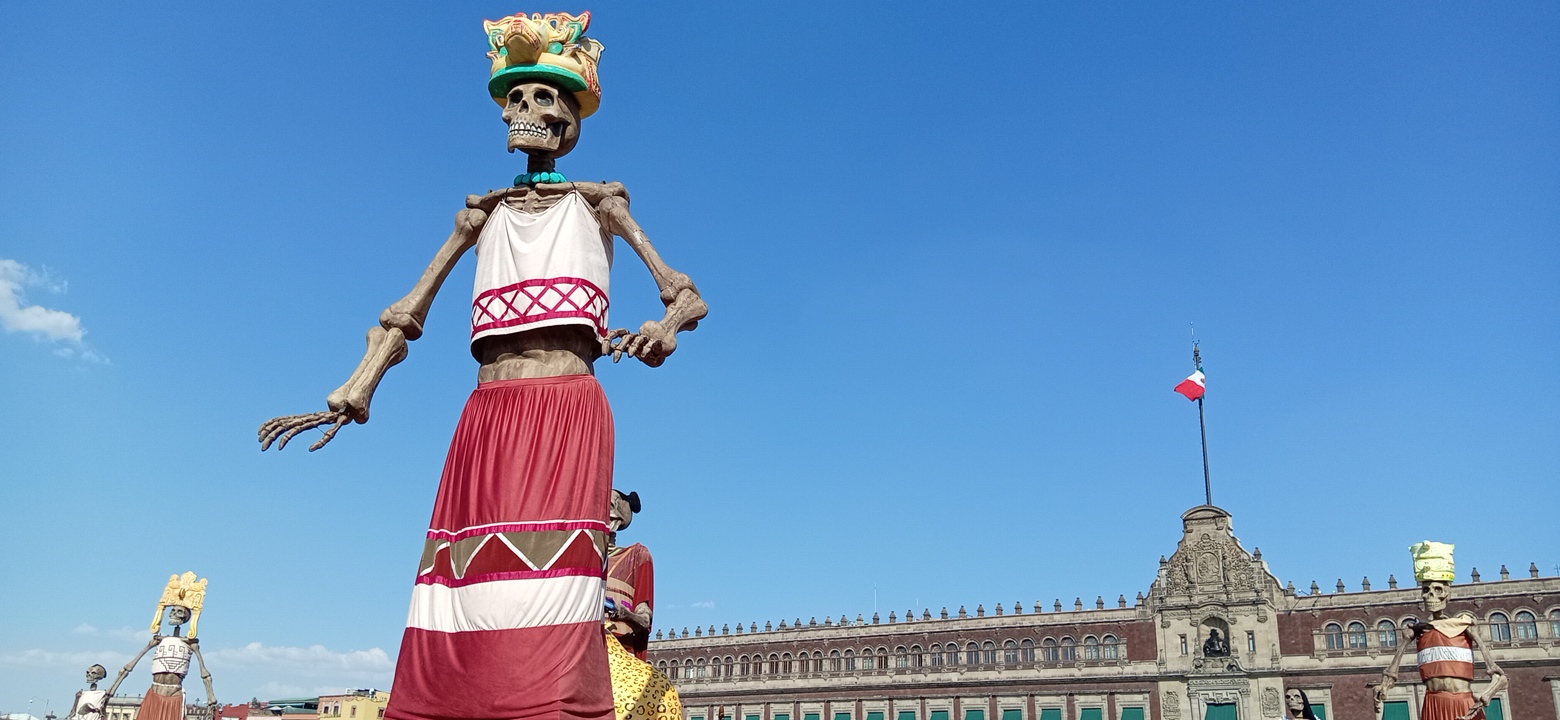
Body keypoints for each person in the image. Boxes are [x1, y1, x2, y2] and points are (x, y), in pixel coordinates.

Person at [1376, 542, 1507, 720]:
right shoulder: (1417, 631)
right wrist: (1384, 686)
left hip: (1462, 702)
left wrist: (1487, 695)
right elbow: (1391, 674)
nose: (1430, 595)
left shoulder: (1464, 625)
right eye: (1425, 590)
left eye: (1437, 589)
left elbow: (1499, 677)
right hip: (1432, 703)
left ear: (1447, 594)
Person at [604, 489, 681, 720]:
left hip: (620, 648)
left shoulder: (637, 555)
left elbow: (644, 619)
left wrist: (623, 613)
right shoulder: (582, 555)